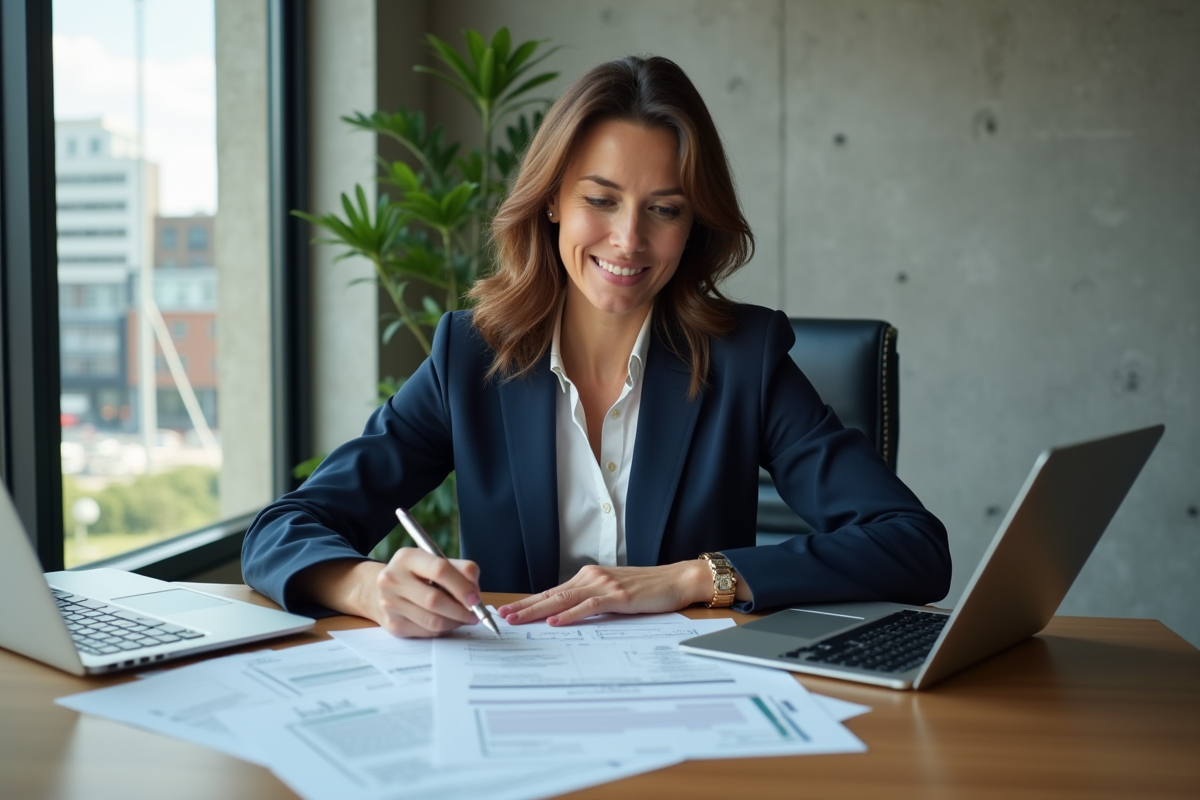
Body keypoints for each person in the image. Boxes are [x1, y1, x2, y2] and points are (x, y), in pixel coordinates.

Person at [242, 55, 951, 638]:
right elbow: (283, 529)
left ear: (693, 226)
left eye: (664, 209)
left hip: (692, 703)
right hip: (511, 705)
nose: (629, 240)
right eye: (601, 200)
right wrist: (370, 587)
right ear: (552, 199)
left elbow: (913, 545)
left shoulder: (745, 359)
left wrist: (692, 577)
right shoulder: (470, 357)